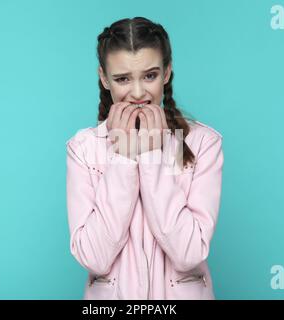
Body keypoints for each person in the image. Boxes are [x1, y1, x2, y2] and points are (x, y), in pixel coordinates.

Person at [66, 17, 224, 299]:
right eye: (123, 78)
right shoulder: (83, 148)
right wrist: (124, 157)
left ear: (166, 73)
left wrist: (152, 155)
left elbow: (189, 252)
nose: (138, 93)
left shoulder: (203, 144)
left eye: (149, 75)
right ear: (104, 78)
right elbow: (94, 258)